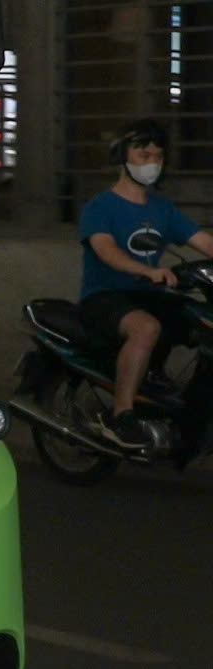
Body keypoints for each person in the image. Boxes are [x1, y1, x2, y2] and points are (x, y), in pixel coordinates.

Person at [75, 119, 213, 456]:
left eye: (158, 155)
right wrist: (146, 270)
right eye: (143, 152)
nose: (151, 160)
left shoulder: (162, 210)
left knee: (201, 325)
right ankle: (121, 417)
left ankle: (176, 407)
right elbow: (105, 249)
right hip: (105, 297)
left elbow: (204, 241)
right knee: (147, 328)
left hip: (150, 296)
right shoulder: (100, 206)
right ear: (123, 155)